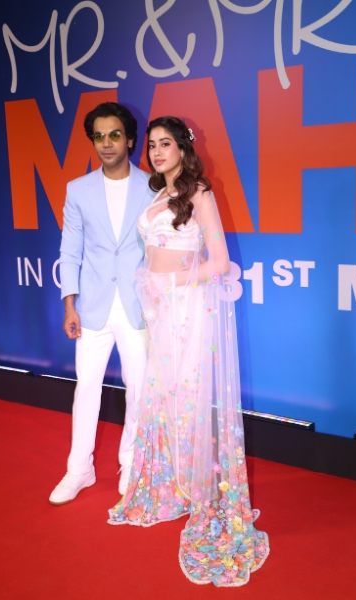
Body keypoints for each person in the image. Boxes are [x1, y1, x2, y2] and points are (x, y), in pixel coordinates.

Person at [107, 117, 270, 587]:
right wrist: (150, 286)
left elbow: (219, 263)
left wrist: (170, 283)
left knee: (188, 400)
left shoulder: (199, 194)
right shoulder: (158, 195)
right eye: (152, 146)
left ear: (183, 148)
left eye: (166, 144)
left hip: (188, 310)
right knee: (164, 398)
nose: (157, 152)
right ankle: (175, 484)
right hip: (160, 311)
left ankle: (201, 491)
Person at [49, 102, 156, 505]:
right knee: (86, 388)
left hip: (138, 306)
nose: (106, 143)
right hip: (92, 306)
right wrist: (69, 304)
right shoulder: (78, 190)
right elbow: (70, 250)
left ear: (130, 140)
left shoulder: (153, 187)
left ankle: (131, 463)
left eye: (114, 135)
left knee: (139, 389)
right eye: (99, 136)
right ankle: (80, 469)